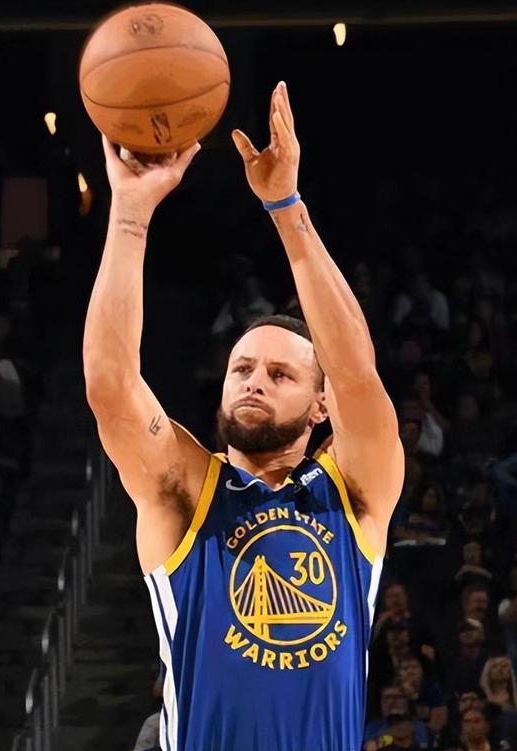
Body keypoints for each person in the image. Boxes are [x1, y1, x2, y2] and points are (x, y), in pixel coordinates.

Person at [84, 81, 404, 751]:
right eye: (242, 369)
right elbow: (111, 386)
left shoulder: (355, 492)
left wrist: (287, 207)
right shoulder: (185, 490)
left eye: (281, 374)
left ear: (321, 406)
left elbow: (355, 371)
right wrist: (130, 214)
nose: (254, 381)